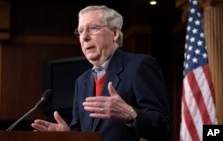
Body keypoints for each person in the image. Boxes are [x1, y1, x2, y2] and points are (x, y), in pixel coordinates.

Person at [31, 5, 171, 141]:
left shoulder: (139, 66)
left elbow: (163, 127)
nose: (84, 37)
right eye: (80, 31)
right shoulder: (82, 81)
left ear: (114, 33)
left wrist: (131, 114)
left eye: (93, 28)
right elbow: (80, 132)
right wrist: (67, 135)